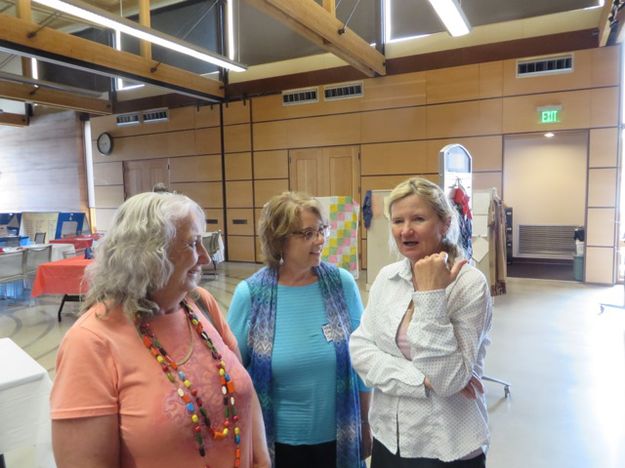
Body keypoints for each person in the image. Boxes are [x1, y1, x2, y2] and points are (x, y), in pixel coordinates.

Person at [50, 191, 270, 468]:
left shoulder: (201, 304)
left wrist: (262, 460)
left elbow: (243, 392)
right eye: (192, 244)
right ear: (148, 255)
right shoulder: (91, 342)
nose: (205, 258)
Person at [349, 177, 492, 468]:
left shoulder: (469, 284)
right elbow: (360, 351)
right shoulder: (388, 278)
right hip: (391, 439)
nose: (406, 230)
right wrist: (421, 380)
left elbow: (448, 380)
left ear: (444, 223)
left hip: (447, 444)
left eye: (418, 218)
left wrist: (430, 295)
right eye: (398, 220)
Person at [227, 191, 371, 468]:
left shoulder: (342, 285)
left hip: (339, 438)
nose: (319, 240)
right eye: (307, 234)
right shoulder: (251, 295)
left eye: (321, 230)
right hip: (277, 446)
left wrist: (365, 423)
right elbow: (234, 377)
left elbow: (362, 364)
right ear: (279, 240)